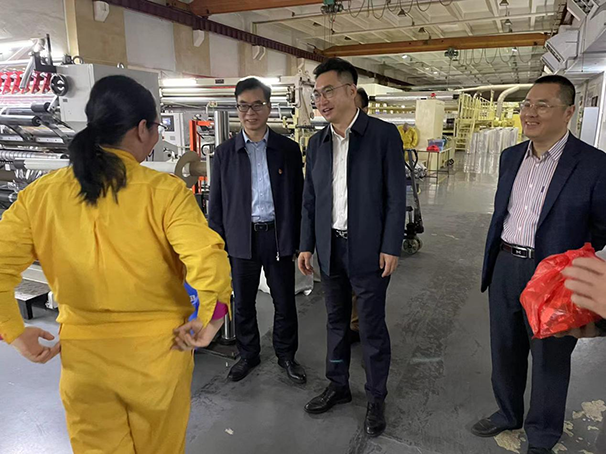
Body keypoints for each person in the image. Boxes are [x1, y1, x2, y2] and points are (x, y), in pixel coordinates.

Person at [0, 75, 232, 454]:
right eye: (156, 128)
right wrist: (211, 319)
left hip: (84, 363)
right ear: (141, 129)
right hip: (158, 359)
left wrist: (13, 331)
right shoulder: (165, 192)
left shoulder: (40, 195)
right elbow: (208, 261)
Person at [473, 75, 606, 454]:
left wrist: (563, 261)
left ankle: (543, 434)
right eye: (526, 104)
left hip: (555, 277)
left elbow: (601, 226)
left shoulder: (594, 165)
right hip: (505, 265)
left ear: (568, 112)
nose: (530, 113)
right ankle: (508, 412)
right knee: (505, 348)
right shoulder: (510, 156)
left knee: (551, 357)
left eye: (542, 105)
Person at [298, 58, 407, 437]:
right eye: (317, 94)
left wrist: (391, 245)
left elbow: (396, 196)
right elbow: (310, 199)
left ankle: (376, 396)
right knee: (335, 321)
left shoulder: (382, 135)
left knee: (372, 327)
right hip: (330, 248)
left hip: (370, 250)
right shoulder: (317, 143)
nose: (321, 100)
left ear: (350, 91)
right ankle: (338, 385)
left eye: (328, 91)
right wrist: (306, 245)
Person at [208, 77, 306, 385]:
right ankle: (248, 354)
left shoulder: (287, 150)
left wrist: (298, 240)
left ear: (269, 107)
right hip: (241, 238)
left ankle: (286, 355)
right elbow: (216, 204)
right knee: (244, 302)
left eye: (257, 105)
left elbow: (299, 199)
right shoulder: (225, 154)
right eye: (243, 106)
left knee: (284, 301)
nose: (250, 113)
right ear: (237, 109)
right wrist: (217, 246)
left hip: (277, 237)